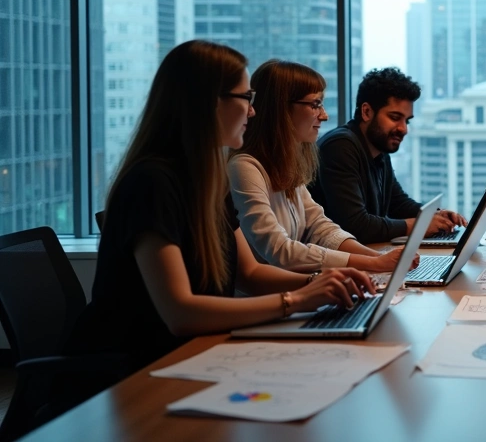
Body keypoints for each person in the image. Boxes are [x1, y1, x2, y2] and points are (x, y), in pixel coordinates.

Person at [66, 40, 377, 380]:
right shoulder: (152, 183)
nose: (253, 111)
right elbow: (180, 312)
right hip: (128, 374)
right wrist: (296, 300)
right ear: (207, 103)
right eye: (246, 98)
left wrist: (324, 284)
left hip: (191, 354)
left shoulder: (205, 182)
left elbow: (250, 274)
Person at [229, 60, 404, 273]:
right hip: (265, 302)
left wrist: (378, 258)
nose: (324, 115)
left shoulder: (286, 165)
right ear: (281, 108)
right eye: (315, 105)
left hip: (297, 293)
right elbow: (280, 250)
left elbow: (320, 227)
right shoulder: (245, 168)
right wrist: (371, 264)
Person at [310, 68, 465, 243]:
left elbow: (397, 203)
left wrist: (435, 216)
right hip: (330, 264)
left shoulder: (378, 148)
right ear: (367, 112)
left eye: (406, 120)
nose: (403, 129)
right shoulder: (339, 146)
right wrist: (417, 225)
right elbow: (355, 225)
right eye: (394, 117)